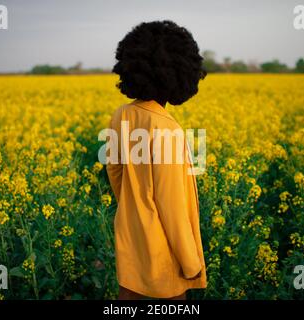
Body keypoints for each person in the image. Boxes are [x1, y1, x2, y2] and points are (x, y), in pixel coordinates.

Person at [106, 20, 207, 300]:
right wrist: (191, 263)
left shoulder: (120, 115)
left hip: (130, 251)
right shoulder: (167, 129)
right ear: (180, 73)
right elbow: (170, 204)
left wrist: (134, 210)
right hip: (163, 262)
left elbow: (114, 173)